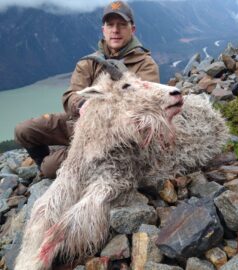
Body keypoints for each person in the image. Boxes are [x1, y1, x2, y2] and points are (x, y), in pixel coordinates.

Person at [15, 1, 160, 179]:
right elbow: (70, 97)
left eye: (122, 25)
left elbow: (144, 107)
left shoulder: (145, 65)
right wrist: (82, 104)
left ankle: (63, 168)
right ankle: (56, 164)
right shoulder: (89, 62)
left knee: (50, 168)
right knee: (23, 130)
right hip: (79, 122)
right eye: (110, 25)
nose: (115, 30)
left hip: (112, 136)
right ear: (103, 29)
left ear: (133, 29)